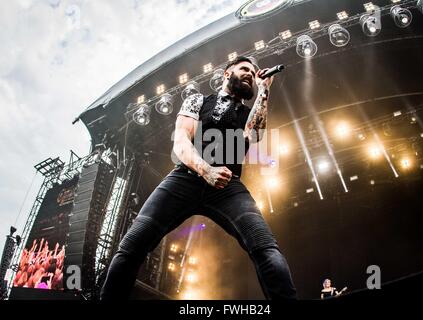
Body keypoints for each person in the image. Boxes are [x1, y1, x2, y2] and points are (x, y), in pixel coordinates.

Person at [100, 56, 297, 300]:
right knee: (132, 244)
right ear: (227, 73)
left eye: (253, 72)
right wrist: (206, 170)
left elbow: (254, 136)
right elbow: (181, 141)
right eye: (244, 69)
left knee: (265, 247)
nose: (250, 73)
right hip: (186, 177)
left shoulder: (248, 112)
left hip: (228, 185)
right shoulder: (197, 100)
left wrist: (264, 91)